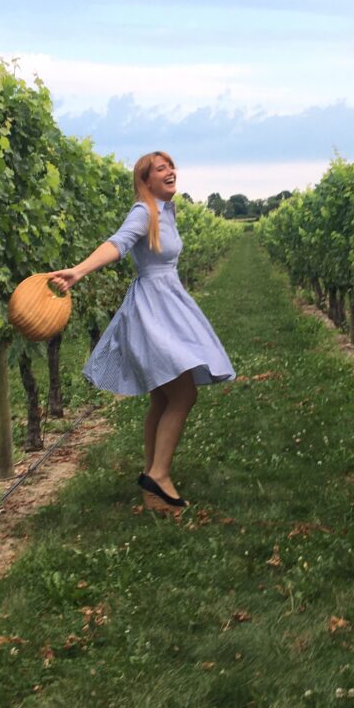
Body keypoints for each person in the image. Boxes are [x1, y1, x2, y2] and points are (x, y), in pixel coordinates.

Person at [49, 151, 234, 512]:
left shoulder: (166, 211)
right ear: (145, 181)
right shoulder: (144, 211)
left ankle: (152, 478)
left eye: (171, 166)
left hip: (167, 301)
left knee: (163, 397)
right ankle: (159, 476)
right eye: (160, 169)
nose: (170, 172)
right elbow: (117, 243)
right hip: (153, 307)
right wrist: (80, 270)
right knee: (183, 395)